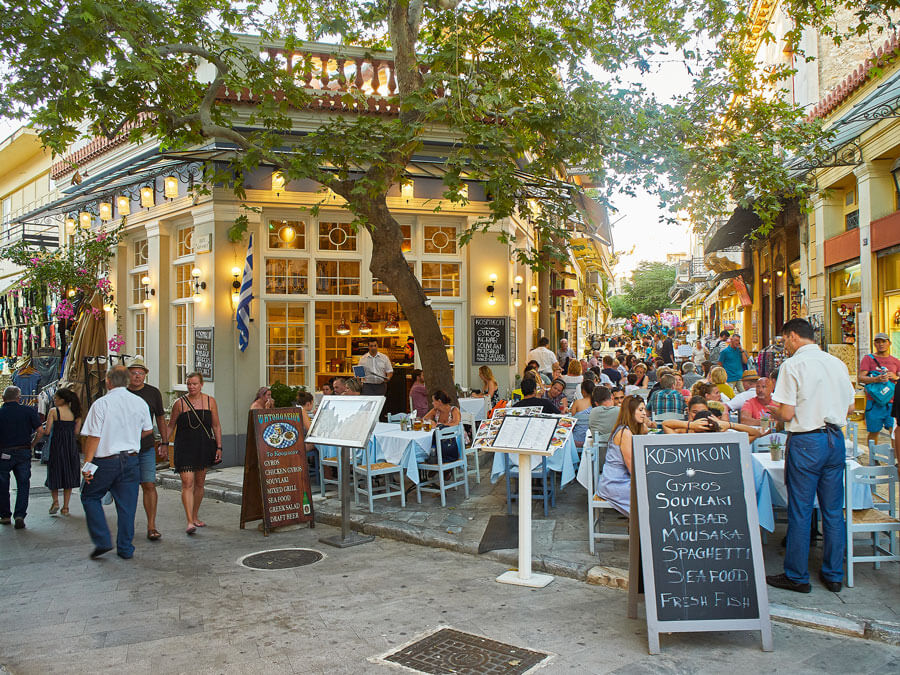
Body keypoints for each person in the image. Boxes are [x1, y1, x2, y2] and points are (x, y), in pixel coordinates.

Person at [766, 318, 856, 594]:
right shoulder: (836, 363)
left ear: (793, 337)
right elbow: (850, 407)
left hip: (807, 440)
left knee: (801, 509)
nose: (784, 347)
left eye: (784, 341)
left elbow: (788, 413)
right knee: (832, 510)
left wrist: (775, 412)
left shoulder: (793, 365)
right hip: (835, 438)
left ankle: (797, 575)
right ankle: (833, 574)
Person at [80, 366, 153, 558]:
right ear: (128, 381)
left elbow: (93, 437)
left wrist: (87, 464)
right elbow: (147, 430)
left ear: (108, 381)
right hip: (131, 459)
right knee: (127, 506)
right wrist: (131, 436)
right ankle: (125, 548)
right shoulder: (139, 403)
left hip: (106, 460)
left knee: (89, 496)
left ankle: (103, 539)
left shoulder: (102, 404)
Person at [166, 372, 222, 535]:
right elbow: (171, 425)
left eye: (195, 384)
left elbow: (216, 426)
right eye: (189, 384)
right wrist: (163, 443)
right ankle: (189, 521)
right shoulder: (179, 403)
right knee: (187, 482)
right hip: (184, 446)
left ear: (201, 385)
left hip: (203, 446)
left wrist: (219, 447)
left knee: (199, 482)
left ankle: (195, 515)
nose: (191, 387)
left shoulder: (210, 401)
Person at [124, 357, 169, 541]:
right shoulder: (122, 393)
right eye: (134, 373)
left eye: (140, 373)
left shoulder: (153, 393)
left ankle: (151, 526)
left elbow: (159, 418)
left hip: (147, 446)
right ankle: (126, 526)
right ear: (128, 375)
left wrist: (165, 443)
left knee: (149, 484)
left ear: (145, 375)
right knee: (127, 487)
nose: (137, 376)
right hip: (125, 448)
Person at [32, 388, 82, 516]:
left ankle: (55, 501)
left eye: (55, 398)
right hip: (71, 447)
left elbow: (47, 431)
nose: (54, 400)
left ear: (62, 400)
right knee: (68, 474)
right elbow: (76, 432)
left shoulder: (54, 411)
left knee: (54, 473)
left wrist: (39, 432)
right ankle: (65, 507)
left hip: (57, 446)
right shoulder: (76, 413)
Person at [597, 396, 650, 515]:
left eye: (644, 410)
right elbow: (632, 467)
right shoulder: (625, 433)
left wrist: (643, 421)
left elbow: (645, 430)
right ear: (630, 412)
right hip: (615, 483)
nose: (644, 413)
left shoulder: (626, 428)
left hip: (618, 480)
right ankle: (641, 529)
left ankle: (639, 528)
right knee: (650, 497)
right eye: (640, 410)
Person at [0, 386, 42, 528]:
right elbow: (40, 431)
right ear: (19, 398)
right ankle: (19, 515)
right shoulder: (28, 411)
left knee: (2, 485)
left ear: (3, 398)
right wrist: (32, 444)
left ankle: (5, 515)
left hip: (3, 453)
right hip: (23, 451)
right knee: (23, 484)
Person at [859, 332, 900, 447]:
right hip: (874, 401)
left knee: (894, 432)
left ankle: (896, 459)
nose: (881, 344)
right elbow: (861, 378)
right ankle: (873, 458)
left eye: (884, 341)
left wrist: (895, 377)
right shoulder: (868, 359)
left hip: (892, 402)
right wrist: (876, 379)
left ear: (889, 343)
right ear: (874, 344)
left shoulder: (895, 361)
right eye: (878, 342)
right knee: (873, 431)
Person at [570, 380, 594, 447]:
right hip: (592, 440)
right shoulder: (597, 403)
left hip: (576, 440)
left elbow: (572, 423)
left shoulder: (577, 403)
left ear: (583, 391)